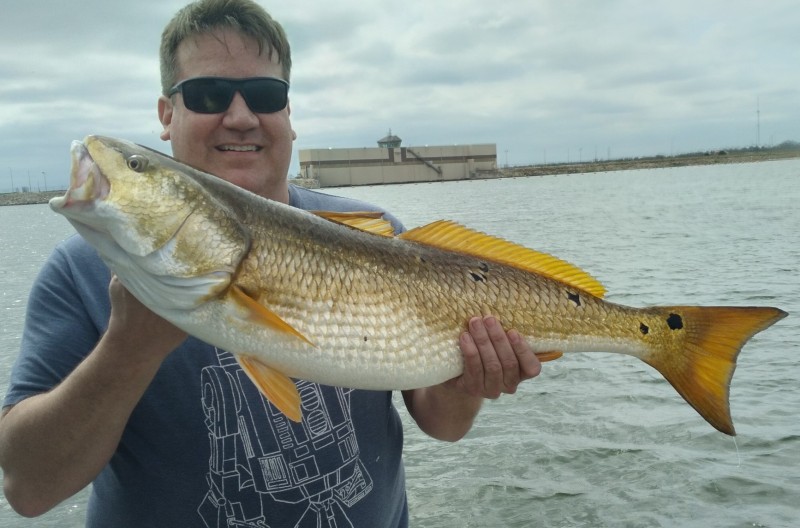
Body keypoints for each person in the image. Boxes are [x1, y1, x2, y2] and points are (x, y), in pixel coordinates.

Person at [0, 0, 541, 525]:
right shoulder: (80, 270)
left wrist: (469, 380)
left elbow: (443, 425)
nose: (239, 116)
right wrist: (129, 348)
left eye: (264, 94)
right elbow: (29, 488)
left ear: (288, 113)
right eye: (208, 94)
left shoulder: (381, 235)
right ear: (167, 114)